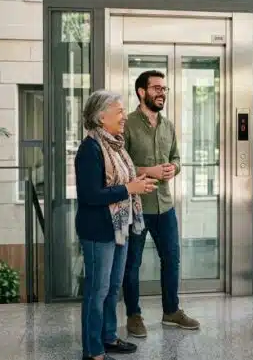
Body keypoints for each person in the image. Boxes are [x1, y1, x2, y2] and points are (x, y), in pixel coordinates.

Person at [75, 90, 158, 360]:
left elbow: (122, 182)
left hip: (119, 227)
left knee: (112, 287)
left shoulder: (116, 145)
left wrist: (138, 183)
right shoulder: (90, 149)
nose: (124, 116)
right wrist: (129, 188)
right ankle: (93, 351)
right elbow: (90, 195)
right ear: (101, 117)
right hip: (99, 231)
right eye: (119, 111)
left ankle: (108, 337)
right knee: (96, 291)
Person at [122, 70, 200, 338]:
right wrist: (149, 170)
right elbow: (120, 167)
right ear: (141, 92)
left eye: (164, 88)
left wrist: (172, 169)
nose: (161, 92)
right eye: (156, 88)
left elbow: (177, 157)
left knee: (172, 259)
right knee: (132, 263)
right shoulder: (127, 124)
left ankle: (171, 311)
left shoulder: (167, 126)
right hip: (136, 207)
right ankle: (134, 315)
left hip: (164, 205)